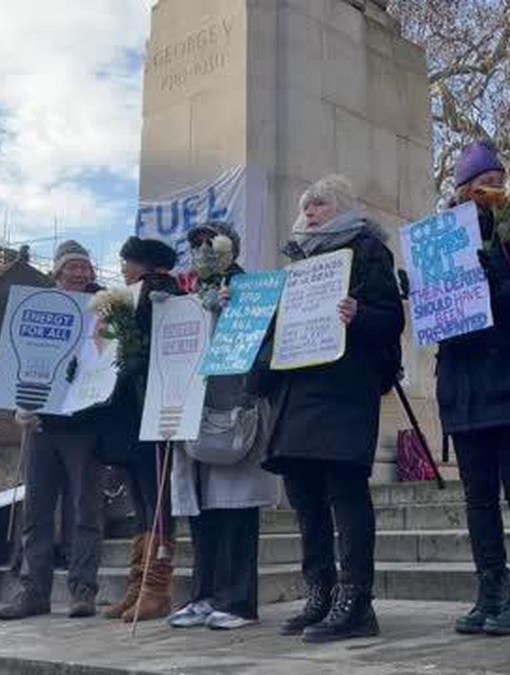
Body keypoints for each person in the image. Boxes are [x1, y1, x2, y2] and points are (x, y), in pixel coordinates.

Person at [259, 175, 403, 643]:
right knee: (304, 497)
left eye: (319, 203)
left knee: (344, 492)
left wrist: (358, 315)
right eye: (306, 205)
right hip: (299, 391)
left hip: (343, 390)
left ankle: (356, 600)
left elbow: (391, 319)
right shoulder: (296, 260)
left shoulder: (368, 250)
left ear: (340, 207)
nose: (310, 211)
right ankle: (319, 592)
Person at [439, 141, 510, 637]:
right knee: (477, 496)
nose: (491, 192)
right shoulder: (438, 240)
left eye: (497, 183)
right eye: (482, 185)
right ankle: (490, 588)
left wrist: (493, 280)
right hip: (463, 383)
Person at [166, 222, 278, 631]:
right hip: (196, 412)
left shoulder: (249, 290)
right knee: (202, 512)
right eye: (195, 245)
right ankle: (204, 593)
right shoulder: (189, 295)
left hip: (235, 411)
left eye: (210, 243)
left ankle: (239, 599)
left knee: (236, 508)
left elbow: (266, 345)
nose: (202, 251)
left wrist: (237, 314)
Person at [0, 241, 105, 621]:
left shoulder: (103, 309)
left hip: (85, 423)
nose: (79, 273)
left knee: (84, 508)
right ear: (58, 272)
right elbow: (20, 355)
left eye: (84, 267)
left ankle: (82, 590)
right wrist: (20, 405)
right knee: (36, 510)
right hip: (43, 423)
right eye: (72, 267)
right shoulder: (38, 307)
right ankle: (34, 590)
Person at [100, 236, 182, 622]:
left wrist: (140, 358)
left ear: (144, 265)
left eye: (126, 261)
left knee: (155, 498)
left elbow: (169, 342)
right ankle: (138, 587)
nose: (121, 269)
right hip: (131, 414)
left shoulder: (161, 291)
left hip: (152, 406)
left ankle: (156, 589)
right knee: (141, 501)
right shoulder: (130, 297)